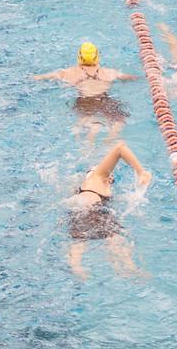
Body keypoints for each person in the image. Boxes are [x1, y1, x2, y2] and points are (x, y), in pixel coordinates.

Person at [67, 140, 151, 280]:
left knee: (80, 243)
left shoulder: (88, 188)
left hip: (84, 213)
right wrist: (141, 172)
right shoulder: (98, 177)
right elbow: (120, 147)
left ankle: (77, 269)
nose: (111, 176)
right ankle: (130, 269)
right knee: (116, 238)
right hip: (94, 211)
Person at [34, 42, 138, 145]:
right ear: (97, 57)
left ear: (79, 57)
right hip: (104, 99)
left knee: (88, 123)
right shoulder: (108, 72)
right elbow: (131, 78)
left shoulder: (69, 72)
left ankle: (87, 145)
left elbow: (43, 77)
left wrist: (34, 77)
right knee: (119, 119)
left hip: (84, 101)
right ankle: (111, 138)